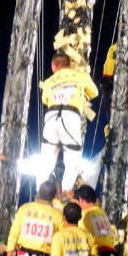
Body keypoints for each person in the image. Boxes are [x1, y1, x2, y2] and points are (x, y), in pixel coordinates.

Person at [37, 52, 98, 194]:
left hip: (51, 116)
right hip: (71, 116)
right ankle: (65, 194)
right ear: (69, 65)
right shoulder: (80, 76)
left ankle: (40, 192)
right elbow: (94, 92)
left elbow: (45, 100)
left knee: (47, 160)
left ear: (54, 66)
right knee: (72, 160)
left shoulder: (49, 81)